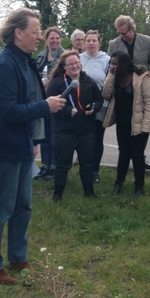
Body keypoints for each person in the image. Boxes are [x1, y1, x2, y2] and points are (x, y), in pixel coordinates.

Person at [0, 9, 67, 285]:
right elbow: (7, 111)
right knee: (2, 207)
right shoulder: (4, 65)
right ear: (18, 33)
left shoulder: (25, 61)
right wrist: (45, 106)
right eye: (35, 31)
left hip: (22, 144)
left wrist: (35, 140)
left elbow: (29, 100)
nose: (39, 36)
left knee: (23, 206)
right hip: (3, 147)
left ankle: (18, 258)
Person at [46, 50, 102, 201]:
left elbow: (99, 99)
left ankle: (89, 191)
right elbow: (49, 104)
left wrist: (93, 108)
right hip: (65, 131)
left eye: (77, 63)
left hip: (86, 130)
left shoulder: (88, 80)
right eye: (70, 64)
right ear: (64, 67)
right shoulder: (57, 83)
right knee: (63, 164)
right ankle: (58, 194)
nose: (74, 66)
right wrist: (67, 111)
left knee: (87, 162)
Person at [109, 15, 150, 171]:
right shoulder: (114, 44)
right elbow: (110, 67)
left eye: (124, 33)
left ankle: (140, 157)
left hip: (141, 93)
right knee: (124, 129)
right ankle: (124, 161)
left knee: (141, 127)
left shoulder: (147, 41)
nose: (121, 36)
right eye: (119, 33)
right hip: (123, 93)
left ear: (132, 29)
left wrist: (148, 85)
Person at [103, 51, 150, 196]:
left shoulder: (142, 78)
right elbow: (106, 94)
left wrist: (147, 126)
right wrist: (111, 75)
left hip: (138, 124)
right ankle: (118, 183)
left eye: (116, 64)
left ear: (125, 64)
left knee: (137, 155)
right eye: (111, 63)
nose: (113, 66)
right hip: (122, 123)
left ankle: (139, 187)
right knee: (123, 154)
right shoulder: (115, 77)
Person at [34, 26, 64, 180]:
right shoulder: (40, 57)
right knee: (44, 135)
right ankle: (45, 166)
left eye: (57, 38)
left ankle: (54, 167)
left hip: (57, 99)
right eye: (52, 38)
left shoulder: (64, 56)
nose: (55, 41)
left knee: (54, 136)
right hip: (42, 100)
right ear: (46, 40)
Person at [80, 29, 111, 180]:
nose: (91, 43)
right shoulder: (79, 58)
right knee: (82, 137)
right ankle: (83, 167)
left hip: (101, 103)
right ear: (84, 43)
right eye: (88, 40)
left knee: (97, 137)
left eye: (94, 40)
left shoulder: (107, 60)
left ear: (99, 42)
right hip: (82, 103)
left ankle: (94, 171)